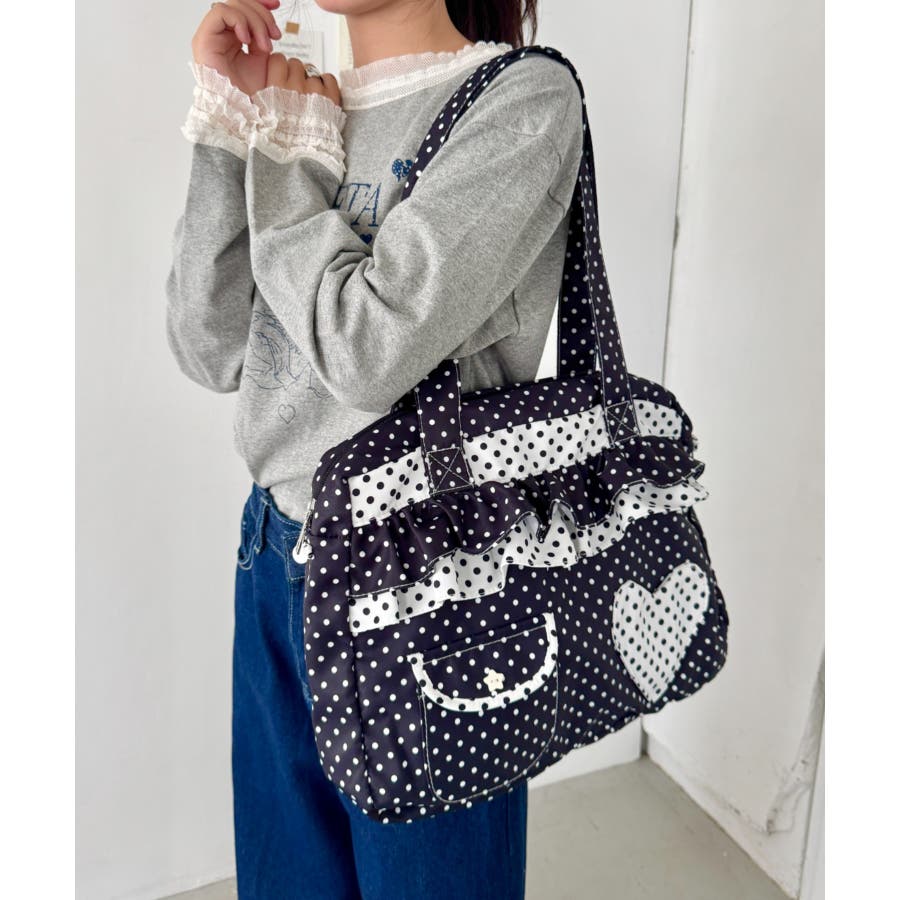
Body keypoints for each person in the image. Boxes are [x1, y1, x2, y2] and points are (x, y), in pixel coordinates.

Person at [165, 0, 583, 896]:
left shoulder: (519, 99)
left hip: (426, 576)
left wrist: (289, 162)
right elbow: (209, 346)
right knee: (286, 881)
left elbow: (368, 351)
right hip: (274, 553)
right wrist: (232, 126)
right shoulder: (300, 104)